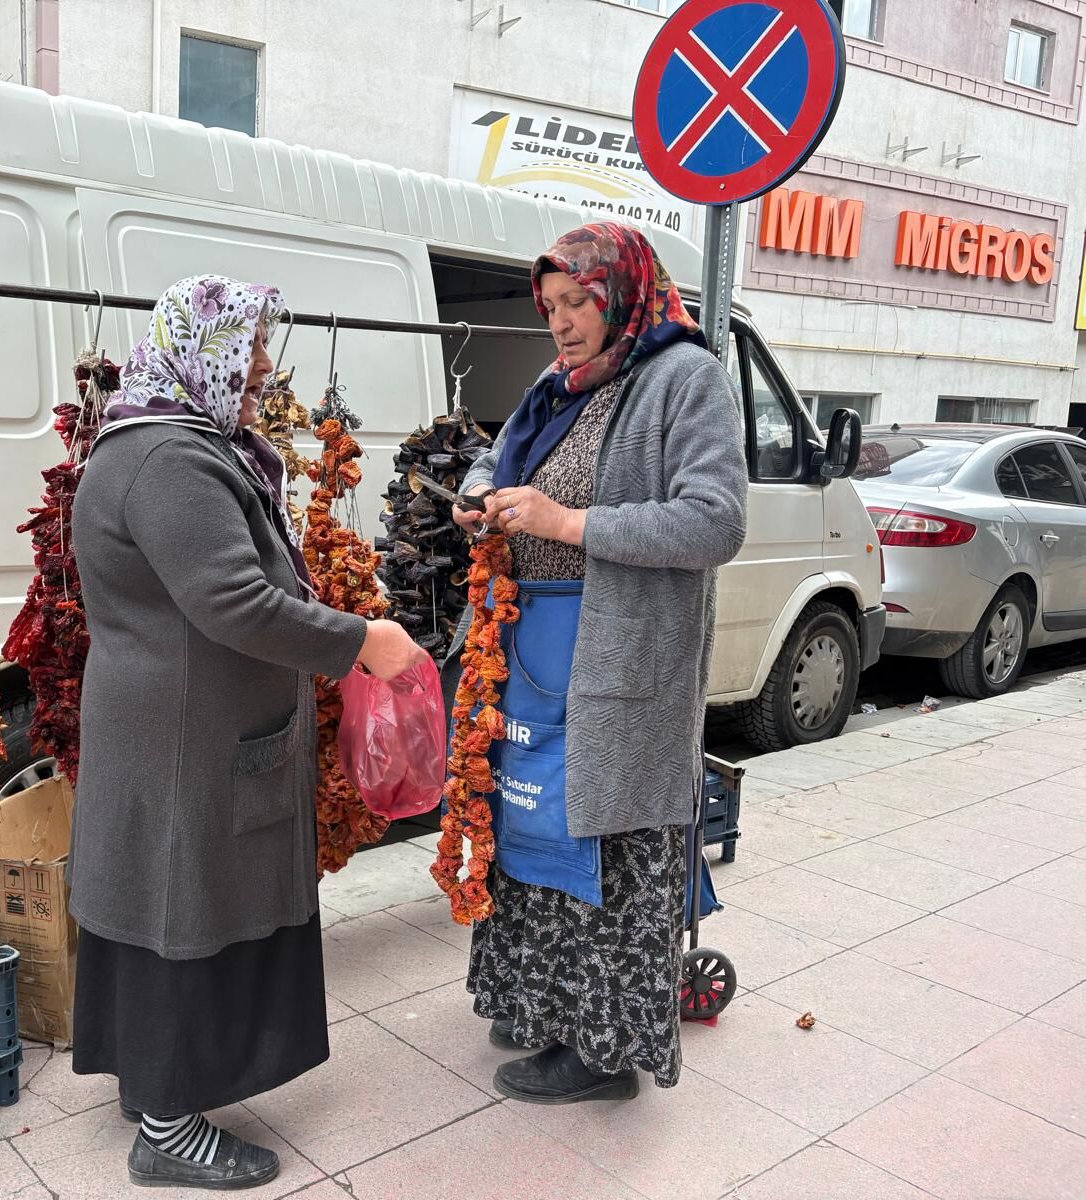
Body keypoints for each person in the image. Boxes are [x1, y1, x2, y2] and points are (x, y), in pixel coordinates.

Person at [68, 274, 423, 1190]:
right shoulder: (170, 459)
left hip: (180, 726)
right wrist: (360, 643)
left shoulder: (177, 441)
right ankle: (167, 1128)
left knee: (170, 902)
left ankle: (156, 1084)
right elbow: (233, 601)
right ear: (201, 349)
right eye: (250, 344)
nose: (264, 365)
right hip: (185, 740)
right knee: (183, 907)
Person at [448, 222, 748, 1103]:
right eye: (550, 306)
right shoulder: (558, 385)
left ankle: (604, 1052)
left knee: (604, 850)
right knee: (532, 829)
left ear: (621, 293)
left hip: (619, 660)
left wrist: (568, 524)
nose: (562, 322)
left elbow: (716, 522)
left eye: (578, 301)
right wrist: (478, 495)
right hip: (533, 650)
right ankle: (539, 1005)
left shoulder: (685, 378)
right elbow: (500, 458)